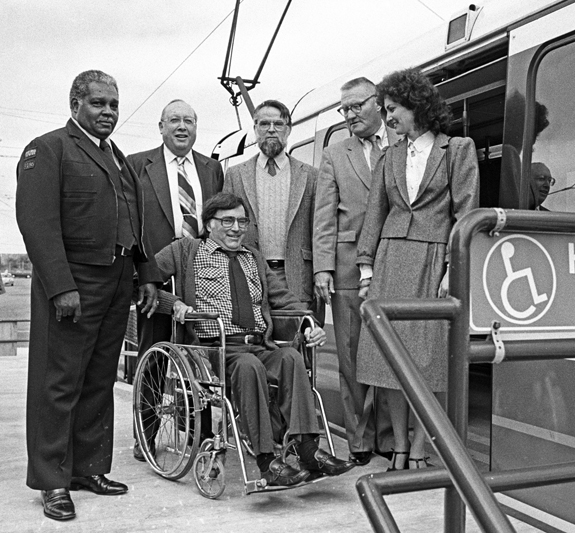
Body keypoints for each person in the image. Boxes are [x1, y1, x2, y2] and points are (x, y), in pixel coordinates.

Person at [16, 70, 160, 521]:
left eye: (114, 105)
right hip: (74, 282)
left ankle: (88, 469)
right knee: (58, 382)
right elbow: (37, 223)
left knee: (100, 378)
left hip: (118, 280)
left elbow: (134, 225)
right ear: (75, 103)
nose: (109, 113)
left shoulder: (116, 157)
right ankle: (53, 481)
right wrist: (61, 286)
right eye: (98, 104)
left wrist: (146, 274)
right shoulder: (50, 148)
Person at [153, 192, 355, 487]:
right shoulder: (186, 251)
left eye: (242, 221)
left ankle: (307, 449)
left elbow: (284, 301)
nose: (237, 228)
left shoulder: (253, 258)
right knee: (248, 366)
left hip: (260, 343)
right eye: (228, 221)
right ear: (209, 224)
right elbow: (143, 283)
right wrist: (174, 305)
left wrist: (309, 323)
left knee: (291, 358)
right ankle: (266, 461)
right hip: (216, 349)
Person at [356, 68, 479, 471]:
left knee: (430, 359)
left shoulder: (457, 149)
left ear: (415, 105)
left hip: (432, 261)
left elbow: (465, 212)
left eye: (392, 109)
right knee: (388, 359)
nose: (387, 117)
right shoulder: (389, 156)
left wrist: (452, 268)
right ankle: (400, 448)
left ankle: (424, 444)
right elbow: (375, 215)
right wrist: (366, 269)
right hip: (391, 259)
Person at [128, 99, 224, 461]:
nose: (181, 127)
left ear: (196, 127)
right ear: (161, 127)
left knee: (199, 356)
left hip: (199, 276)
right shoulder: (138, 165)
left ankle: (198, 433)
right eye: (174, 121)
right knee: (152, 357)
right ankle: (145, 435)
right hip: (155, 277)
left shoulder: (212, 168)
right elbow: (132, 222)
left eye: (188, 121)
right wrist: (144, 275)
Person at [313, 77, 396, 466]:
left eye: (355, 107)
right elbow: (324, 215)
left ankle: (388, 436)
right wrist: (323, 269)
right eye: (343, 109)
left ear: (377, 103)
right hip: (348, 267)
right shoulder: (335, 153)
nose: (348, 116)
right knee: (351, 356)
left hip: (397, 262)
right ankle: (360, 442)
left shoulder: (402, 142)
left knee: (391, 352)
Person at [224, 100, 322, 323]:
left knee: (298, 343)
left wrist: (320, 274)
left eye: (278, 124)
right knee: (253, 343)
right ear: (255, 129)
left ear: (288, 130)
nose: (271, 129)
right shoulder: (235, 175)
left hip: (296, 276)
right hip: (248, 273)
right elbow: (224, 229)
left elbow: (319, 230)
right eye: (264, 124)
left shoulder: (310, 175)